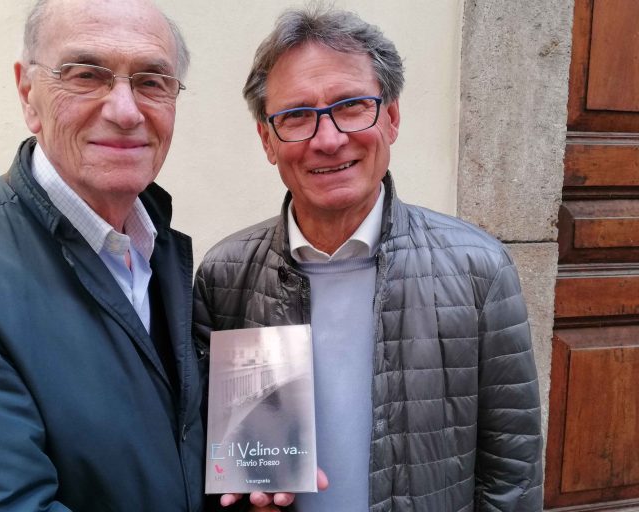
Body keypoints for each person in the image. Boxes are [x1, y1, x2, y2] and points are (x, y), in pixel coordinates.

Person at [193, 5, 543, 511]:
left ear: (391, 118)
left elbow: (512, 473)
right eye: (296, 116)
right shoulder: (225, 276)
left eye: (353, 105)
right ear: (268, 140)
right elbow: (205, 455)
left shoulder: (479, 270)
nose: (328, 139)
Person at [0, 0, 205, 510]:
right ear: (28, 94)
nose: (125, 110)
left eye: (151, 81)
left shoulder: (159, 252)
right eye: (86, 75)